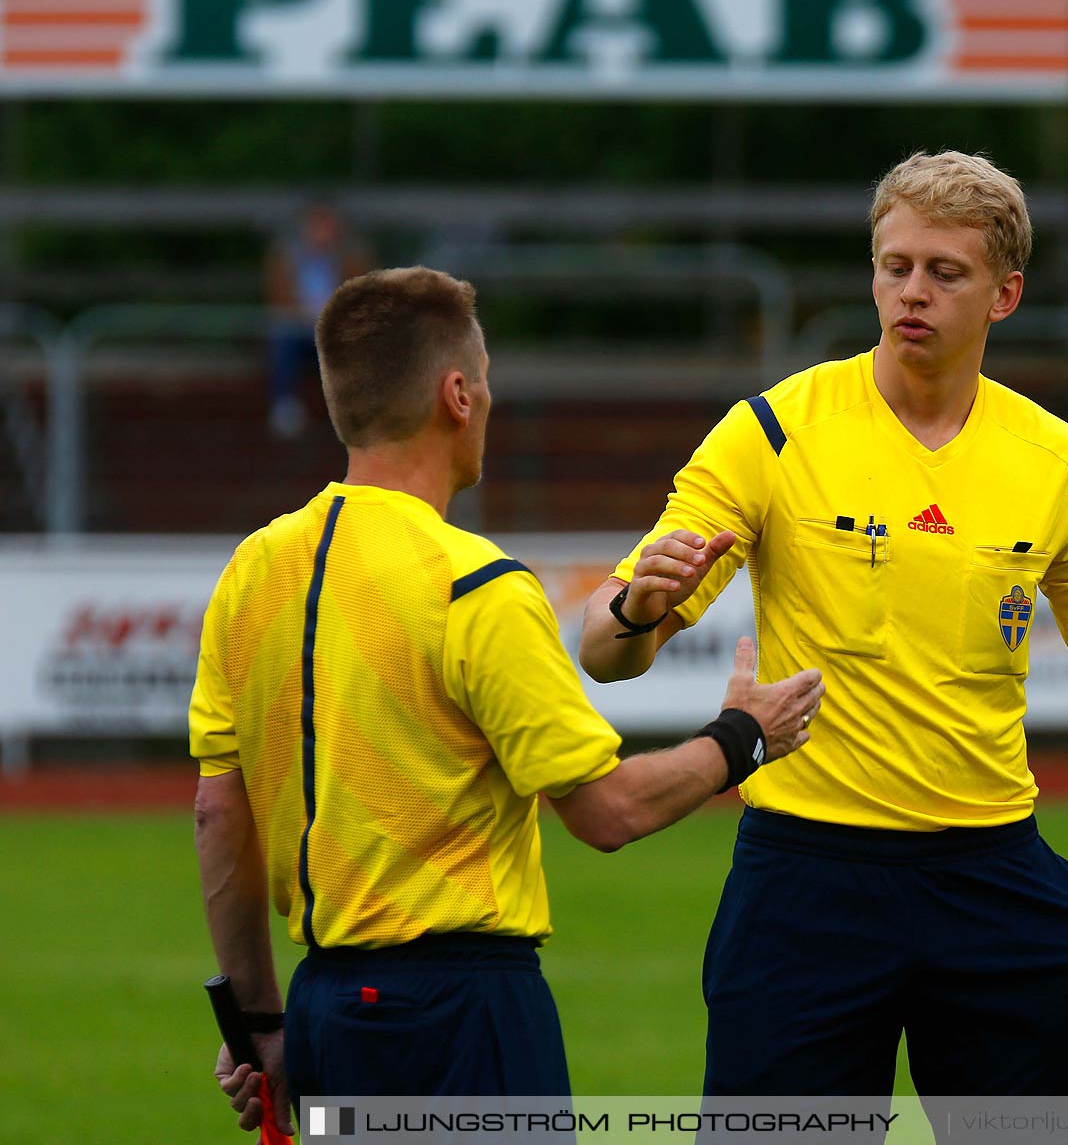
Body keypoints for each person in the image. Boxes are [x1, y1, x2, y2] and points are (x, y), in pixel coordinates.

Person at [579, 152, 1068, 1116]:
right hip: (805, 884)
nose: (912, 293)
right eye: (895, 267)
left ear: (1004, 295)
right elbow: (606, 651)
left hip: (994, 878)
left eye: (946, 272)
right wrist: (641, 605)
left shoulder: (1062, 465)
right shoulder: (774, 431)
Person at [191, 266, 824, 1134]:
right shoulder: (473, 586)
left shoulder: (254, 571)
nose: (488, 396)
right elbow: (604, 814)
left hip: (325, 1008)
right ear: (457, 393)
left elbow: (218, 811)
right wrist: (744, 734)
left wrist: (262, 1025)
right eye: (483, 377)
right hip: (462, 1008)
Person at [264, 201, 369, 439]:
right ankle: (285, 406)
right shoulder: (287, 257)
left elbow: (358, 295)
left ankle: (353, 411)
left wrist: (330, 311)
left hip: (335, 327)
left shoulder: (350, 256)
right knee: (282, 335)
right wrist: (303, 311)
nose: (322, 232)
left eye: (328, 226)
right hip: (299, 327)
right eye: (317, 226)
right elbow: (278, 296)